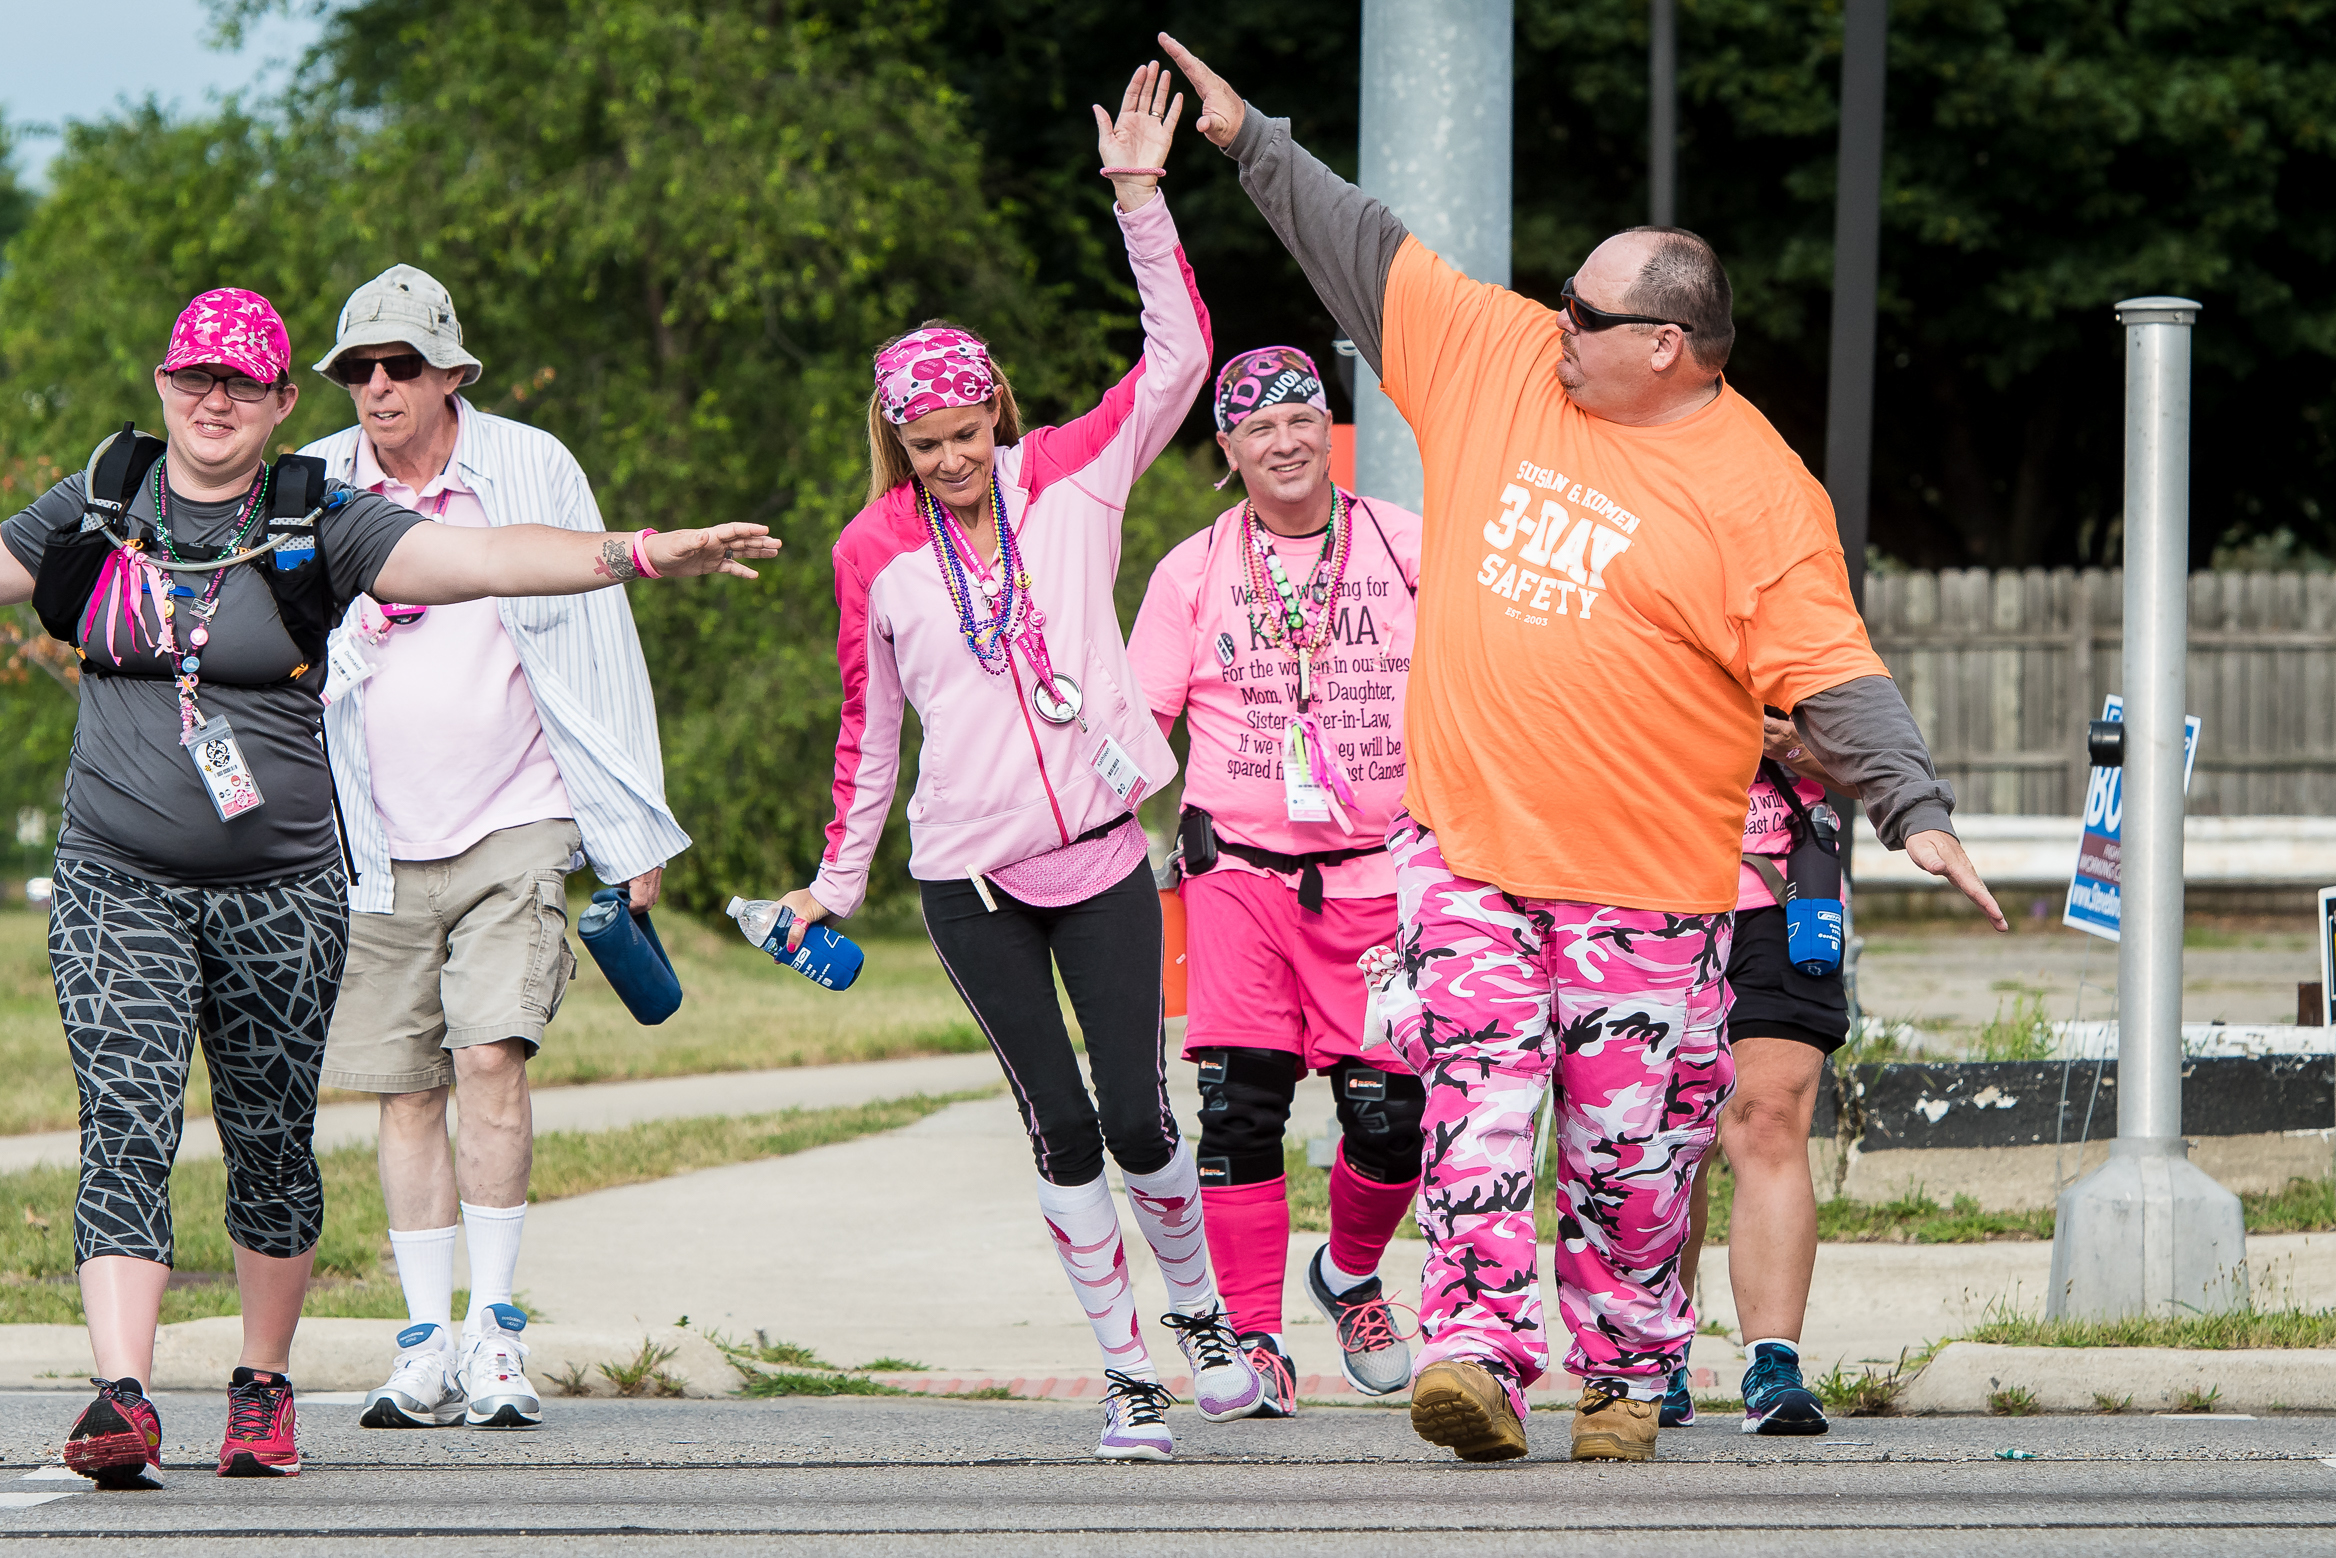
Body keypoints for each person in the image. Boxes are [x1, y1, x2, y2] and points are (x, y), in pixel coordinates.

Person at [1157, 33, 2006, 1466]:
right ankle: (1477, 1357)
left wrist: (1913, 805)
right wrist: (1251, 138)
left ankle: (1622, 1368)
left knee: (1633, 1154)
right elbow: (1364, 246)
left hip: (1647, 883)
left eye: (1585, 308)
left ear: (1663, 343)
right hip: (1468, 847)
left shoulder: (1759, 491)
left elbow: (1829, 664)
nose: (1554, 316)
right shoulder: (1503, 361)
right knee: (1478, 1108)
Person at [0, 287, 775, 1487]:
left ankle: (262, 1384)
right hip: (117, 875)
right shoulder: (105, 499)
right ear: (163, 383)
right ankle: (124, 1396)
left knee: (269, 1139)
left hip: (282, 885)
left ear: (278, 402)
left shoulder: (317, 512)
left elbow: (480, 559)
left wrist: (635, 552)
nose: (214, 398)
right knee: (126, 1119)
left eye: (241, 382)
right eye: (195, 376)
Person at [774, 63, 1259, 1463]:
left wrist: (1139, 199)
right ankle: (1126, 1373)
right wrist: (831, 885)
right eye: (924, 446)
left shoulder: (1073, 472)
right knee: (1059, 1129)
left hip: (1100, 853)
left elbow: (1178, 361)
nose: (951, 463)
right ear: (897, 438)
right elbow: (868, 734)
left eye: (966, 435)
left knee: (1138, 1114)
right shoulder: (871, 552)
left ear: (996, 409)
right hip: (968, 878)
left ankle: (1200, 1314)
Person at [297, 265, 689, 1432]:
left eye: (401, 366)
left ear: (450, 373)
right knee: (403, 1085)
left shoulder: (529, 463)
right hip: (368, 833)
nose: (378, 387)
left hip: (517, 814)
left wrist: (630, 827)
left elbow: (599, 639)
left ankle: (497, 1328)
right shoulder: (311, 481)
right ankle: (426, 1341)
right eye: (358, 369)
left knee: (488, 1058)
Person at [1126, 345, 1425, 1416]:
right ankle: (1253, 1338)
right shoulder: (1191, 568)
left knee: (1390, 1116)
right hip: (1239, 877)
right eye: (1258, 428)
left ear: (1327, 429)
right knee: (1238, 1108)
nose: (1285, 442)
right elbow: (1138, 728)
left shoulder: (1405, 545)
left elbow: (1479, 689)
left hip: (1379, 878)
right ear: (1229, 449)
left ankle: (1347, 1277)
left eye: (1301, 419)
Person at [1667, 714, 1854, 1436]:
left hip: (1782, 895)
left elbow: (1877, 763)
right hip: (1645, 887)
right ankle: (1653, 1353)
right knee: (1668, 1137)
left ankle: (1774, 1365)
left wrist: (1796, 744)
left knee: (1768, 1118)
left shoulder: (1804, 643)